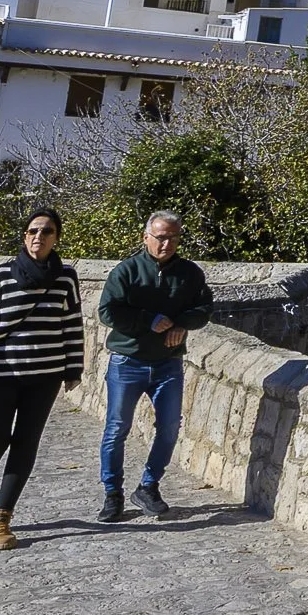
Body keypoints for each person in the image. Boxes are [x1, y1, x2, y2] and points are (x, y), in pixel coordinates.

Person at [0, 207, 85, 551]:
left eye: (47, 231)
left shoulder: (66, 278)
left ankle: (1, 519)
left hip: (44, 377)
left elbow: (72, 323)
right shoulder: (1, 275)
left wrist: (73, 368)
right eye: (33, 231)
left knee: (26, 444)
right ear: (24, 236)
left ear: (56, 238)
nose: (39, 236)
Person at [95, 209, 214, 522]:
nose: (166, 244)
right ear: (146, 237)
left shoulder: (189, 273)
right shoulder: (127, 271)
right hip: (128, 361)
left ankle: (148, 486)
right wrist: (148, 321)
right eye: (160, 237)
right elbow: (107, 311)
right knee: (117, 428)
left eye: (173, 238)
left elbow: (204, 308)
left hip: (167, 363)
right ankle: (112, 493)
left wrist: (183, 323)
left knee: (170, 427)